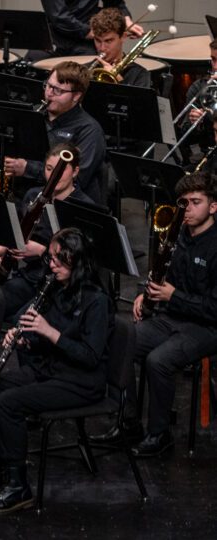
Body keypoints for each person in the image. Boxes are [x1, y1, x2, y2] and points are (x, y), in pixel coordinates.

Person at [0, 227, 110, 515]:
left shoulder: (97, 301)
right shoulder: (55, 289)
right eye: (51, 258)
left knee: (8, 403)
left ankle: (18, 486)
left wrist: (49, 333)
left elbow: (90, 357)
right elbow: (47, 345)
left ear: (79, 262)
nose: (51, 265)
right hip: (52, 371)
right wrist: (26, 341)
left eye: (59, 260)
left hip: (81, 382)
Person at [93, 172, 217, 457]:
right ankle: (128, 422)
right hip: (170, 316)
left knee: (158, 360)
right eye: (184, 203)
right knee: (120, 341)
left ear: (213, 206)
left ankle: (159, 435)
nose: (187, 209)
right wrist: (144, 293)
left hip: (206, 326)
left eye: (196, 202)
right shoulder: (178, 234)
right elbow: (161, 274)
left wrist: (173, 296)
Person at [0, 143, 98, 319]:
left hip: (61, 287)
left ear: (75, 172)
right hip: (31, 277)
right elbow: (19, 232)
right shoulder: (33, 195)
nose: (53, 175)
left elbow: (82, 262)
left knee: (20, 321)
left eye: (60, 170)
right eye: (49, 168)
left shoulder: (85, 209)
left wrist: (41, 251)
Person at [3, 61, 106, 204]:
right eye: (48, 86)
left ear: (76, 96)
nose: (49, 94)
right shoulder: (33, 113)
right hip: (24, 195)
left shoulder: (89, 130)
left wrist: (27, 169)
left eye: (58, 90)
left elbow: (78, 178)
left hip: (64, 205)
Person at [87, 8, 151, 88]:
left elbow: (137, 101)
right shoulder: (86, 70)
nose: (102, 48)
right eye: (98, 40)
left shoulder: (139, 75)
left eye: (108, 41)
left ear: (123, 37)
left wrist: (119, 81)